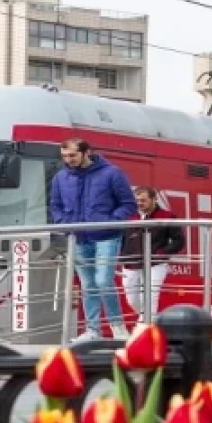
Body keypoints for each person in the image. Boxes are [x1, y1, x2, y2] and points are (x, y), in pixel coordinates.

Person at [49, 138, 137, 341]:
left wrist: (111, 221)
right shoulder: (60, 178)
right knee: (88, 284)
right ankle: (93, 330)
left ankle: (117, 327)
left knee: (103, 281)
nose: (68, 160)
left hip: (107, 236)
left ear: (87, 152)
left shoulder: (112, 173)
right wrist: (64, 222)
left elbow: (128, 204)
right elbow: (55, 205)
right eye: (64, 156)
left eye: (72, 155)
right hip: (78, 237)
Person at [120, 187, 185, 324]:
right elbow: (123, 239)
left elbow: (179, 241)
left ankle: (145, 327)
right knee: (131, 300)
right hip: (131, 263)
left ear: (154, 199)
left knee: (150, 297)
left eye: (143, 200)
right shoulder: (131, 217)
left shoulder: (167, 216)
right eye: (137, 200)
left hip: (156, 263)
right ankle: (151, 320)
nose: (139, 203)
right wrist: (123, 255)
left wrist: (162, 254)